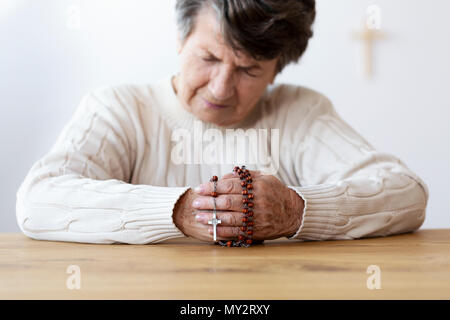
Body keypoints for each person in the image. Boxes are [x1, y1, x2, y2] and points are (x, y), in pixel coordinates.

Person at [16, 0, 428, 245]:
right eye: (209, 58)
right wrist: (178, 211)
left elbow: (407, 194)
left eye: (248, 70)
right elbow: (38, 201)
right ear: (180, 41)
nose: (220, 88)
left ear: (276, 70)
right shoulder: (119, 109)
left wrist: (294, 210)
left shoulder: (301, 111)